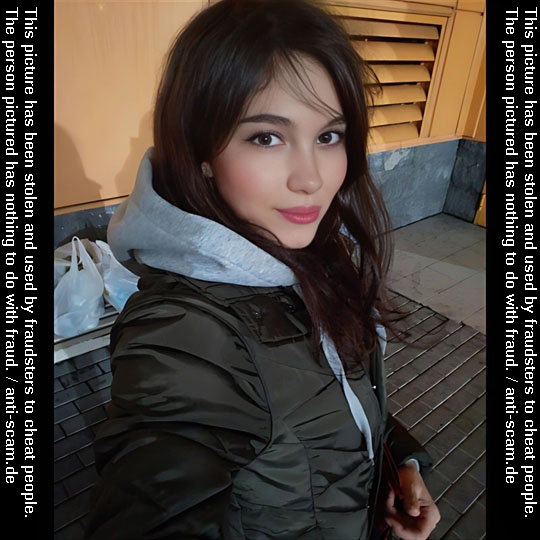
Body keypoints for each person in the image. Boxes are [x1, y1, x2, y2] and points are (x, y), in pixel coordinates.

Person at [85, 1, 440, 538]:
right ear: (202, 152)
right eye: (267, 137)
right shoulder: (184, 335)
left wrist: (400, 462)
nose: (311, 179)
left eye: (329, 136)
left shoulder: (316, 253)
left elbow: (326, 394)